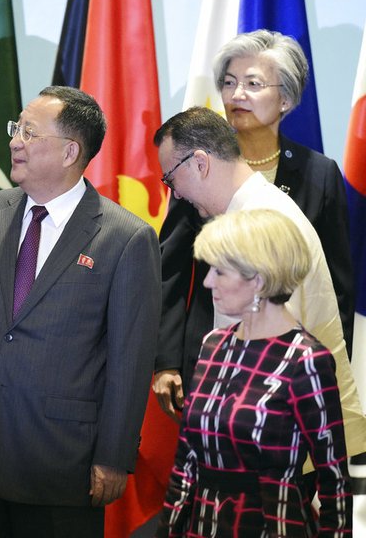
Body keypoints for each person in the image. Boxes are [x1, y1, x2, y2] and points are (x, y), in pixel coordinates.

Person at [0, 86, 161, 537]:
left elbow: (130, 361)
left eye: (30, 132)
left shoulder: (125, 238)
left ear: (70, 151)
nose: (15, 140)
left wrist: (114, 455)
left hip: (63, 463)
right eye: (16, 128)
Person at [155, 30, 354, 424]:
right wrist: (165, 361)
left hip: (289, 363)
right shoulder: (201, 166)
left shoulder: (319, 173)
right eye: (228, 83)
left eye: (252, 83)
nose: (236, 95)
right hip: (210, 352)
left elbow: (335, 286)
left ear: (285, 98)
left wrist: (323, 368)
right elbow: (171, 269)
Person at [152, 106, 366, 463]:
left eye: (171, 179)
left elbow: (274, 362)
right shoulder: (252, 213)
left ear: (200, 163)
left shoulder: (261, 225)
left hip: (276, 451)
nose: (175, 194)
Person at [157, 209, 352, 536]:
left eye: (219, 271)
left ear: (258, 279)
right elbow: (186, 462)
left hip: (270, 526)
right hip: (201, 527)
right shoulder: (213, 345)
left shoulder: (306, 360)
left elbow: (334, 481)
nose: (207, 282)